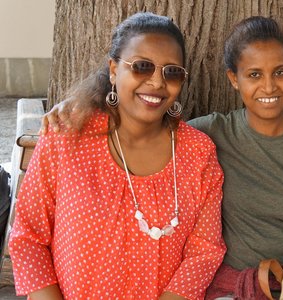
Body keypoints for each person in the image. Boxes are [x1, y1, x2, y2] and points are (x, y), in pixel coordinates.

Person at [41, 16, 283, 299]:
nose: (268, 87)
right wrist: (81, 103)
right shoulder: (209, 135)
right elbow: (145, 114)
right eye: (253, 75)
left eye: (280, 72)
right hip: (228, 287)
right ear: (234, 79)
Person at [9, 12, 225, 300]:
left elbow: (204, 252)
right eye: (142, 67)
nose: (157, 82)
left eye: (172, 72)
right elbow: (28, 237)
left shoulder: (198, 152)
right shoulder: (68, 136)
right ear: (113, 69)